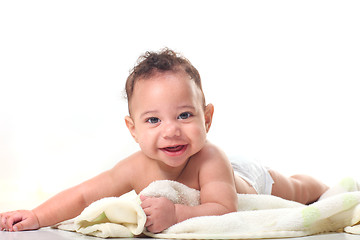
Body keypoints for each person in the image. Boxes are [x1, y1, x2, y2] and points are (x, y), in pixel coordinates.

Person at [0, 48, 329, 234]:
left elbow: (225, 208)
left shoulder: (210, 158)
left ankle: (322, 186)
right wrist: (37, 216)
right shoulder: (135, 166)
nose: (170, 130)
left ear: (207, 118)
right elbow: (86, 192)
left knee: (295, 189)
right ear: (133, 129)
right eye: (153, 120)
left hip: (247, 178)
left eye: (184, 115)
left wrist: (174, 215)